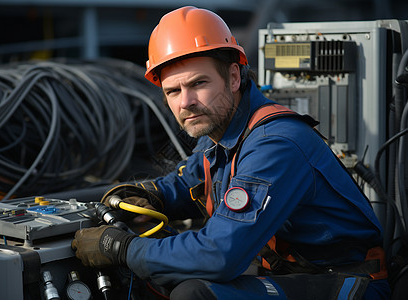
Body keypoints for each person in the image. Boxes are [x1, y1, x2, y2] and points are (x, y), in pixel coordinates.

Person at [72, 6, 391, 299]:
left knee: (194, 293)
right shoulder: (219, 132)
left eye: (199, 83)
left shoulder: (274, 143)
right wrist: (149, 195)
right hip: (291, 274)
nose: (186, 102)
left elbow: (220, 256)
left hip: (346, 284)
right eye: (173, 91)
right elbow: (186, 185)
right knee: (160, 273)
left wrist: (121, 247)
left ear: (234, 77)